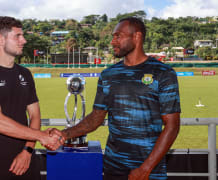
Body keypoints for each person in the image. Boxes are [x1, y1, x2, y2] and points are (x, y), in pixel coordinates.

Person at [51, 17, 181, 180]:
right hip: (113, 167)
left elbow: (172, 126)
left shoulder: (163, 73)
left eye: (118, 36)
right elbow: (95, 119)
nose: (112, 42)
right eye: (113, 37)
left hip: (149, 170)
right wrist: (64, 134)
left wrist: (145, 169)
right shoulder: (108, 74)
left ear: (137, 37)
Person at [0, 16, 64, 180]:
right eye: (18, 36)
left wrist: (27, 151)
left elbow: (35, 115)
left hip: (27, 162)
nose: (24, 40)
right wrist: (41, 136)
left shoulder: (25, 74)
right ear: (1, 40)